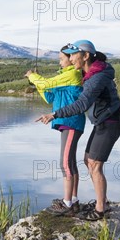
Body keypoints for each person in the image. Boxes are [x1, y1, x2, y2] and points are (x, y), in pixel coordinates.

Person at [36, 39, 120, 221]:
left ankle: (100, 209)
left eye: (74, 54)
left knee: (94, 164)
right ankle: (101, 202)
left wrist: (54, 114)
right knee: (87, 160)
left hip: (110, 122)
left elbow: (82, 104)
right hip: (103, 122)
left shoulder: (97, 76)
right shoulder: (90, 74)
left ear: (86, 56)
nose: (71, 58)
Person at [25, 46, 85, 216]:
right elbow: (49, 96)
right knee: (70, 162)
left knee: (65, 163)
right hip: (67, 123)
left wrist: (33, 76)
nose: (60, 61)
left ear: (71, 58)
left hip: (71, 121)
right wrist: (37, 84)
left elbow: (46, 83)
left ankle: (67, 204)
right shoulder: (63, 76)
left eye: (61, 58)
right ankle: (73, 200)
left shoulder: (72, 73)